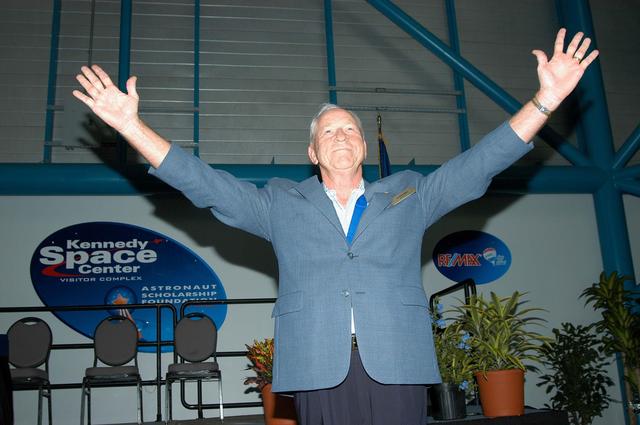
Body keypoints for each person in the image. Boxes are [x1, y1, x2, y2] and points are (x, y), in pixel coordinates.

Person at [73, 28, 598, 425]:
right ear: (312, 152)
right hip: (317, 363)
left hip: (396, 359)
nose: (341, 135)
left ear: (364, 146)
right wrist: (131, 127)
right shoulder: (279, 203)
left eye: (349, 129)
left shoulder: (411, 194)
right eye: (328, 131)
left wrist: (545, 101)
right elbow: (205, 184)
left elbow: (480, 163)